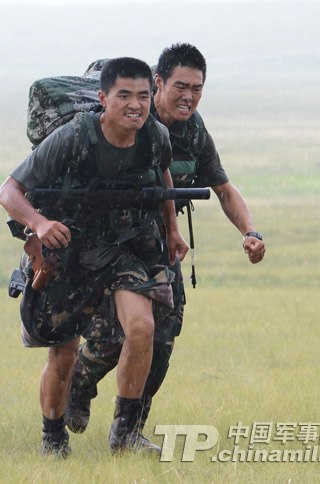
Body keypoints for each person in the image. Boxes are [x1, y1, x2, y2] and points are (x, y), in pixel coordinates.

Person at [64, 44, 266, 450]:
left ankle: (128, 431)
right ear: (158, 82)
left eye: (197, 88)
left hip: (161, 247)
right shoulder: (133, 118)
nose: (188, 96)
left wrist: (250, 231)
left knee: (162, 337)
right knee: (115, 336)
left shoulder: (194, 130)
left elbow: (222, 188)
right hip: (113, 243)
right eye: (180, 86)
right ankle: (78, 386)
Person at [0, 57, 188, 457]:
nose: (135, 105)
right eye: (124, 96)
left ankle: (125, 435)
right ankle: (53, 436)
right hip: (66, 252)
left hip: (122, 249)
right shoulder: (72, 137)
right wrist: (39, 225)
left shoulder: (155, 136)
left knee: (142, 325)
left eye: (143, 96)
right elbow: (9, 190)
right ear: (103, 98)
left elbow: (163, 179)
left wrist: (171, 229)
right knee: (63, 352)